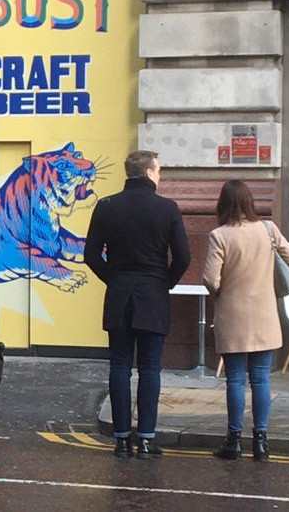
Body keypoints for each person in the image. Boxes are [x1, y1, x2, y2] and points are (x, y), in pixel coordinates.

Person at [84, 150, 190, 459]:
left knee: (119, 366)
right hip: (153, 293)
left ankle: (120, 439)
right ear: (148, 173)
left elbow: (91, 256)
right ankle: (145, 439)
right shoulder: (167, 208)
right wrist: (165, 282)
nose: (160, 176)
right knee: (149, 368)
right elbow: (183, 257)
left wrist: (113, 279)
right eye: (158, 171)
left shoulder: (106, 207)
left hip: (119, 293)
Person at [202, 180, 289, 461]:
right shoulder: (268, 229)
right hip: (265, 315)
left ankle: (233, 441)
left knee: (234, 380)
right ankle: (261, 441)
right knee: (260, 379)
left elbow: (210, 279)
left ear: (223, 204)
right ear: (249, 203)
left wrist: (221, 290)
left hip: (232, 315)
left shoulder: (219, 235)